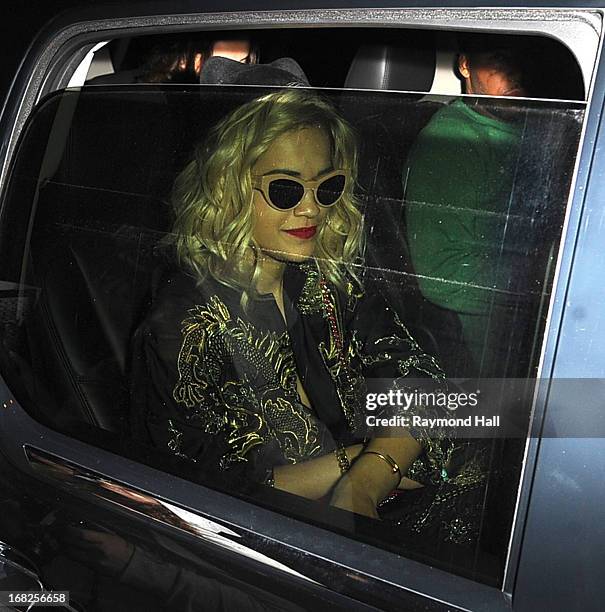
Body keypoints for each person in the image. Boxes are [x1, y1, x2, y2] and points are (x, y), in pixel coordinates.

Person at [130, 88, 486, 542]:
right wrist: (354, 461)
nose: (313, 208)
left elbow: (424, 387)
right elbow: (204, 491)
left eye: (327, 185)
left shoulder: (327, 280)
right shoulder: (183, 327)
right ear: (228, 188)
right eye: (285, 188)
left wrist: (367, 476)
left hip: (387, 508)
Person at [403, 36, 531, 378]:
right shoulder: (452, 142)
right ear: (464, 65)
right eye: (499, 58)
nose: (515, 73)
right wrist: (538, 285)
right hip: (500, 357)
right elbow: (441, 274)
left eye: (524, 59)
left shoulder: (542, 124)